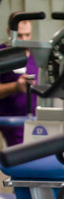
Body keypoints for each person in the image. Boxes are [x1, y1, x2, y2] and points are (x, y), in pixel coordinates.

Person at [0, 18, 37, 147]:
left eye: (27, 35)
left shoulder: (36, 55)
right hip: (10, 123)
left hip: (34, 122)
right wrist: (16, 86)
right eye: (20, 35)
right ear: (9, 32)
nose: (24, 39)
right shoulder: (2, 55)